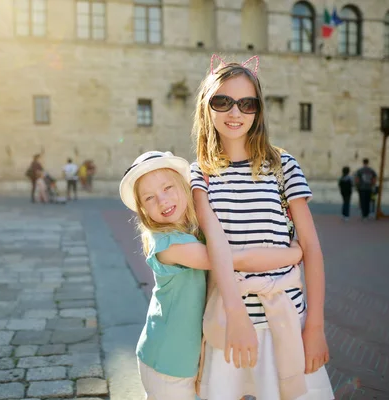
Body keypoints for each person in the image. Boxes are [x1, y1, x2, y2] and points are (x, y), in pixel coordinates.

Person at [190, 55, 333, 399]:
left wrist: (315, 326)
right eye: (222, 101)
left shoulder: (282, 165)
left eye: (246, 103)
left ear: (258, 110)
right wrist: (238, 313)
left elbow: (310, 248)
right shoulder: (200, 173)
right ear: (207, 107)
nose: (235, 112)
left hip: (283, 316)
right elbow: (215, 247)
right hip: (228, 317)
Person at [119, 151, 305, 400]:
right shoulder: (167, 244)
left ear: (183, 187)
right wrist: (292, 256)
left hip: (182, 358)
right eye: (150, 198)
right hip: (166, 361)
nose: (162, 201)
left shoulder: (190, 232)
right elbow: (229, 258)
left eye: (168, 188)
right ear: (142, 209)